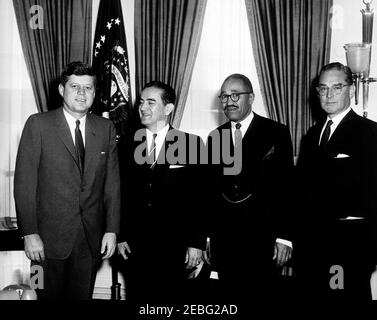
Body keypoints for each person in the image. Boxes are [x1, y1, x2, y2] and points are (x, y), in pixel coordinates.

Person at [14, 61, 121, 300]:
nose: (82, 93)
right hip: (43, 244)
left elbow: (112, 185)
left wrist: (112, 230)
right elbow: (24, 184)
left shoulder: (105, 129)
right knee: (41, 296)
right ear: (62, 90)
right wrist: (29, 233)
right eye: (75, 86)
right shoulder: (38, 124)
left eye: (88, 87)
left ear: (95, 92)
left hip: (89, 242)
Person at [206, 74, 294, 304]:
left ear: (251, 97)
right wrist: (207, 237)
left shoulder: (276, 132)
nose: (229, 101)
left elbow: (288, 188)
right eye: (224, 96)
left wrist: (285, 238)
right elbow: (211, 192)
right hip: (225, 242)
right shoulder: (215, 137)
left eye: (236, 95)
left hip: (264, 240)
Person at [117, 81, 207, 303]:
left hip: (175, 247)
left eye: (151, 102)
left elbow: (201, 199)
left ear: (168, 109)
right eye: (141, 102)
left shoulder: (191, 144)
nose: (142, 107)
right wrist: (121, 235)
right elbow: (118, 194)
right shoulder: (126, 144)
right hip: (135, 247)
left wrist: (196, 243)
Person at [296, 62, 377, 300]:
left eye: (337, 87)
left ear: (351, 91)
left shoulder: (369, 133)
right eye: (323, 88)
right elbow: (301, 191)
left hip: (348, 248)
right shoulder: (312, 135)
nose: (329, 94)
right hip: (312, 248)